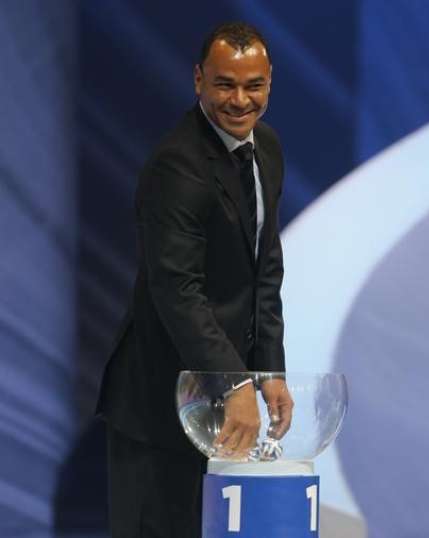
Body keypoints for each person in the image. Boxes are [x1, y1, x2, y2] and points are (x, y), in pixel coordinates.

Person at [96, 22, 293, 537]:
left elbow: (264, 268)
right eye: (225, 84)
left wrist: (270, 368)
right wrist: (236, 384)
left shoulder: (267, 148)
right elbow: (177, 291)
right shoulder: (177, 165)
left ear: (270, 80)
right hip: (160, 406)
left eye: (253, 85)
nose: (239, 100)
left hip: (221, 404)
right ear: (198, 80)